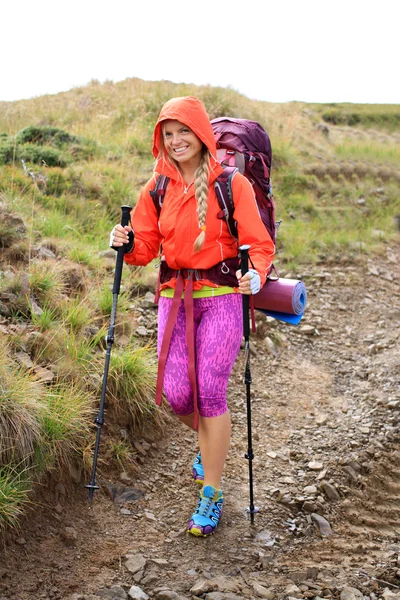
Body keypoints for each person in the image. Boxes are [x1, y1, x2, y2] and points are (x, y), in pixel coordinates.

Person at [110, 96, 274, 537]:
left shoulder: (231, 184)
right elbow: (144, 251)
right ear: (159, 140)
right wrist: (125, 242)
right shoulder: (156, 187)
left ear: (201, 134)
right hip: (174, 297)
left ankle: (212, 493)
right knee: (178, 394)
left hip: (222, 295)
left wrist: (256, 276)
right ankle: (210, 444)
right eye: (168, 134)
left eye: (184, 131)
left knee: (210, 392)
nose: (176, 140)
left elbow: (258, 244)